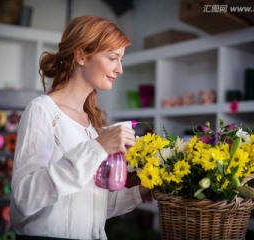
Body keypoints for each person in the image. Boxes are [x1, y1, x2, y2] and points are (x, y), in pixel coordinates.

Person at [10, 15, 151, 240]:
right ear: (81, 55)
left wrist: (142, 194)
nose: (120, 69)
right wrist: (97, 148)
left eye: (120, 60)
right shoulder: (42, 110)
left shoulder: (91, 125)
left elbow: (86, 206)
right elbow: (25, 198)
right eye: (113, 58)